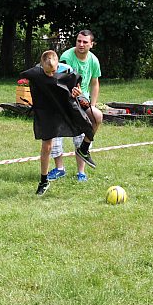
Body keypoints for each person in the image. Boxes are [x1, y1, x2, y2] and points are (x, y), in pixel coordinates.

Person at [20, 50, 96, 196]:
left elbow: (77, 83)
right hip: (46, 113)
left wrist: (77, 90)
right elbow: (23, 76)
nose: (50, 74)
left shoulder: (67, 72)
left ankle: (84, 150)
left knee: (87, 125)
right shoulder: (35, 73)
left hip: (65, 108)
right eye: (47, 72)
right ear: (41, 65)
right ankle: (44, 181)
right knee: (46, 146)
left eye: (53, 71)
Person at [48, 29, 103, 182]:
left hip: (81, 100)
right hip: (62, 100)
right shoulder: (66, 57)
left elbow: (95, 83)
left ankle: (81, 169)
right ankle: (59, 169)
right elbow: (59, 81)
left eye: (85, 42)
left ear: (91, 44)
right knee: (57, 135)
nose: (81, 44)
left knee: (97, 116)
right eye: (79, 41)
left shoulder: (93, 60)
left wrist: (92, 104)